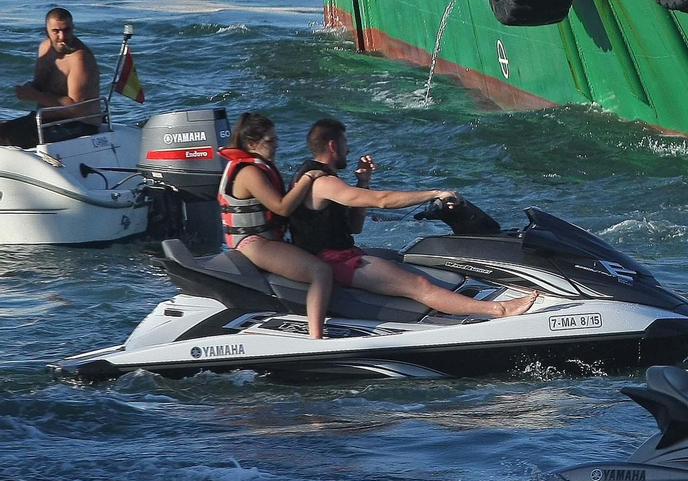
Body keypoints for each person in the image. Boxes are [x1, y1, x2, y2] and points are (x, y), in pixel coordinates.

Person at [287, 119, 539, 319]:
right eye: (345, 142)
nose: (348, 149)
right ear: (333, 146)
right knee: (418, 283)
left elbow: (355, 227)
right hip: (334, 260)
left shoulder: (319, 178)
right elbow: (382, 200)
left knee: (405, 257)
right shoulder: (323, 182)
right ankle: (499, 310)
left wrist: (363, 181)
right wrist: (433, 193)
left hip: (340, 252)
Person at [216, 112, 333, 338]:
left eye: (276, 138)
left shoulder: (256, 167)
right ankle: (316, 337)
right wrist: (308, 178)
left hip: (263, 241)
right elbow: (281, 207)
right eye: (270, 141)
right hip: (253, 243)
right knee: (321, 271)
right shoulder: (249, 172)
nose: (277, 145)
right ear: (251, 144)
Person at [1, 8, 100, 148]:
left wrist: (34, 96)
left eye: (66, 30)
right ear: (46, 30)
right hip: (46, 119)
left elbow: (76, 108)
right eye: (56, 31)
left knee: (9, 141)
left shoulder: (79, 59)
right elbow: (40, 86)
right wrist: (29, 89)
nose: (62, 36)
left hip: (79, 124)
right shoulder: (44, 48)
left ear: (73, 28)